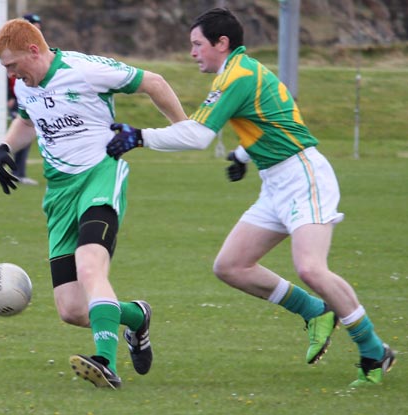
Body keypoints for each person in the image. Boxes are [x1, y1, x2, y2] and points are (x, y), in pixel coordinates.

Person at [106, 7, 396, 387]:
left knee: (311, 268)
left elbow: (197, 136)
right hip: (277, 181)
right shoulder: (239, 72)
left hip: (304, 177)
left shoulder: (237, 75)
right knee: (231, 266)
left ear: (221, 43)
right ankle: (314, 311)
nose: (193, 52)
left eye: (197, 44)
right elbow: (272, 116)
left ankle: (375, 352)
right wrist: (244, 154)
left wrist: (139, 136)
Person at [0, 18, 187, 389]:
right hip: (60, 195)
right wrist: (4, 146)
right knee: (72, 309)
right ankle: (136, 317)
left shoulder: (85, 70)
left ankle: (105, 362)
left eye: (12, 65)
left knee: (90, 263)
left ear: (34, 51)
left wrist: (184, 128)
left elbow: (154, 83)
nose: (11, 74)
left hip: (100, 176)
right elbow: (27, 121)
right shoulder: (27, 85)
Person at [7, 13, 43, 186]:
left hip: (35, 97)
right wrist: (9, 97)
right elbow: (10, 75)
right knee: (22, 131)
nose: (37, 28)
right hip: (18, 99)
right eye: (33, 25)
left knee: (30, 133)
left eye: (38, 25)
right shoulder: (14, 48)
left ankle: (19, 172)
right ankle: (16, 172)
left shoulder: (38, 48)